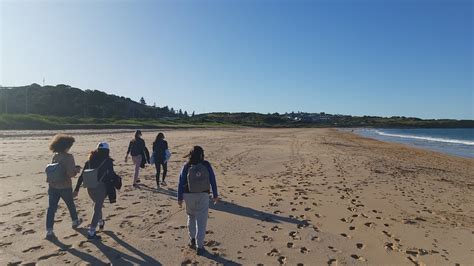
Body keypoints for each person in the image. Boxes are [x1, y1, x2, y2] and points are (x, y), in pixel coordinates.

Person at [74, 142, 121, 240]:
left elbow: (82, 176)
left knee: (97, 205)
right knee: (97, 207)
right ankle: (91, 232)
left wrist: (77, 189)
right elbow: (111, 175)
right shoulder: (107, 161)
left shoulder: (89, 161)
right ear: (107, 151)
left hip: (90, 187)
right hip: (101, 187)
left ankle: (100, 222)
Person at [177, 146, 218, 255]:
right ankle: (199, 246)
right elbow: (212, 179)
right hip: (203, 195)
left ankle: (192, 239)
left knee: (191, 216)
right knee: (201, 221)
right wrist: (215, 194)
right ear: (202, 155)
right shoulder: (206, 165)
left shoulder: (186, 166)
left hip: (188, 195)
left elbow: (180, 182)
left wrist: (179, 198)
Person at [45, 134, 83, 239]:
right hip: (65, 186)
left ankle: (49, 230)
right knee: (70, 204)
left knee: (51, 208)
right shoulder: (69, 157)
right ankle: (75, 221)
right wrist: (77, 170)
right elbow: (70, 173)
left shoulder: (55, 156)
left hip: (53, 185)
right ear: (66, 146)